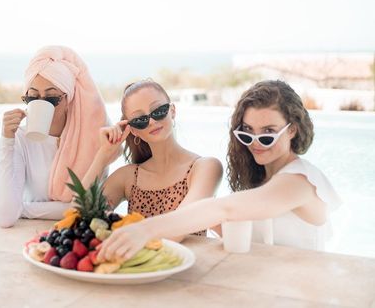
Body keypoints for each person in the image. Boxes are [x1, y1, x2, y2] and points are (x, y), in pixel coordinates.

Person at [98, 80, 341, 261]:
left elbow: (225, 208)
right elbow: (241, 232)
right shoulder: (265, 179)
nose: (255, 142)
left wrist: (145, 229)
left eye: (268, 133)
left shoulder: (299, 181)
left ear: (292, 130)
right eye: (247, 131)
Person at [81, 79, 223, 240]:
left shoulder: (205, 167)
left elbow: (180, 226)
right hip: (138, 264)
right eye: (140, 120)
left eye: (158, 111)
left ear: (172, 111)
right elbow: (79, 216)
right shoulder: (128, 177)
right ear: (133, 130)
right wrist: (103, 155)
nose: (152, 122)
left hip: (193, 264)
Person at [0, 45, 108, 227]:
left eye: (51, 99)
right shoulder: (20, 136)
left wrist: (22, 208)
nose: (41, 103)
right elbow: (5, 217)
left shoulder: (92, 136)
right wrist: (6, 139)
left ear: (68, 100)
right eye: (33, 98)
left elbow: (85, 209)